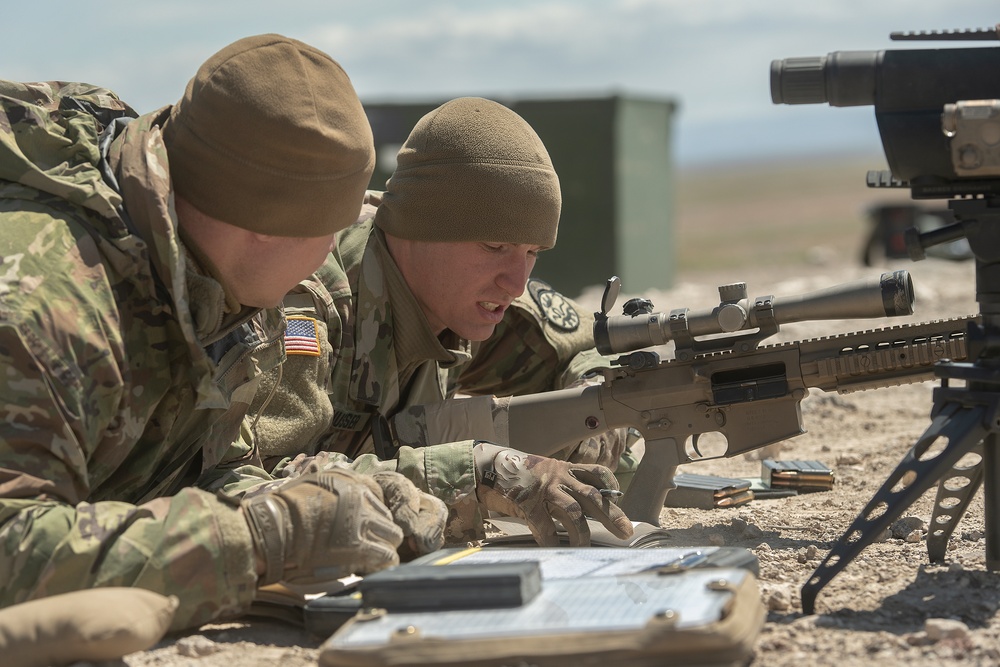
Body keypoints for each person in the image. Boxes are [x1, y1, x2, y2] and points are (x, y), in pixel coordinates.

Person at [0, 34, 424, 632]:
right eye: (330, 229)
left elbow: (199, 476)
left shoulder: (206, 280)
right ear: (270, 228)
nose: (332, 254)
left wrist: (363, 493)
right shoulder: (42, 304)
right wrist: (259, 536)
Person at [247, 97, 638, 547]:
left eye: (532, 253)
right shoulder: (305, 299)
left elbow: (589, 347)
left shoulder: (476, 296)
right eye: (494, 246)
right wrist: (478, 475)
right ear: (417, 228)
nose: (516, 282)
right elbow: (260, 488)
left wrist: (594, 418)